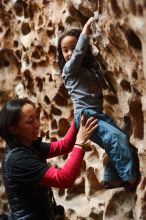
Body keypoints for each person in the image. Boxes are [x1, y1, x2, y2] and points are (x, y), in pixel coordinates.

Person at [57, 17, 140, 191]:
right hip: (86, 117)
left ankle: (111, 178)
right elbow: (78, 54)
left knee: (121, 138)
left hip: (97, 114)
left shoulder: (87, 68)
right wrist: (85, 33)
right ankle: (130, 178)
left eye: (73, 47)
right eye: (65, 50)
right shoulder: (69, 70)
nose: (70, 53)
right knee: (115, 139)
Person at [0, 97, 98, 220]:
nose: (37, 124)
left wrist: (78, 118)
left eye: (36, 118)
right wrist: (80, 142)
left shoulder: (27, 145)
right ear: (14, 129)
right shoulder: (18, 160)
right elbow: (64, 179)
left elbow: (65, 145)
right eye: (30, 121)